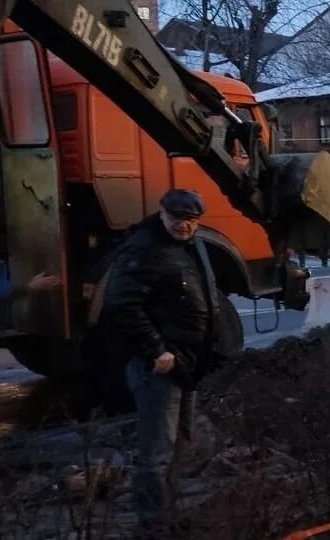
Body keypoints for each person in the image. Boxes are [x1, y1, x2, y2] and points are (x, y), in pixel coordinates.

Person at [103, 189, 232, 533]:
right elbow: (122, 305)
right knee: (156, 450)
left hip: (187, 364)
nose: (184, 226)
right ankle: (154, 523)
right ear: (162, 213)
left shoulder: (192, 245)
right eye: (177, 218)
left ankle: (169, 513)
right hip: (160, 367)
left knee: (179, 445)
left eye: (191, 220)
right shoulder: (144, 249)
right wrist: (156, 351)